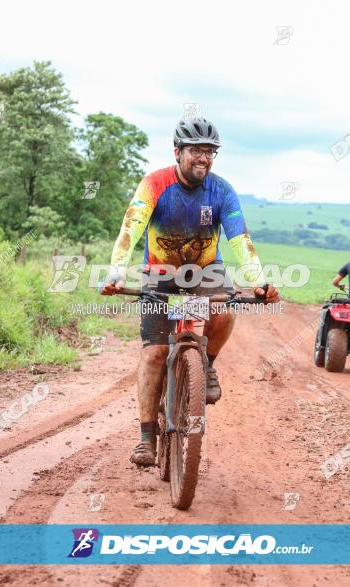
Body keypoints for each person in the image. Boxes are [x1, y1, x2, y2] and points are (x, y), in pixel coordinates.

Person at [99, 116, 280, 467]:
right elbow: (129, 231)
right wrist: (116, 274)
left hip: (204, 269)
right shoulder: (154, 184)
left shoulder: (222, 190)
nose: (204, 158)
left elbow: (240, 238)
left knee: (225, 310)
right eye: (196, 150)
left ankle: (206, 366)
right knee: (153, 354)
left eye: (210, 151)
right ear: (178, 152)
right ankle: (146, 438)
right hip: (160, 272)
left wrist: (258, 282)